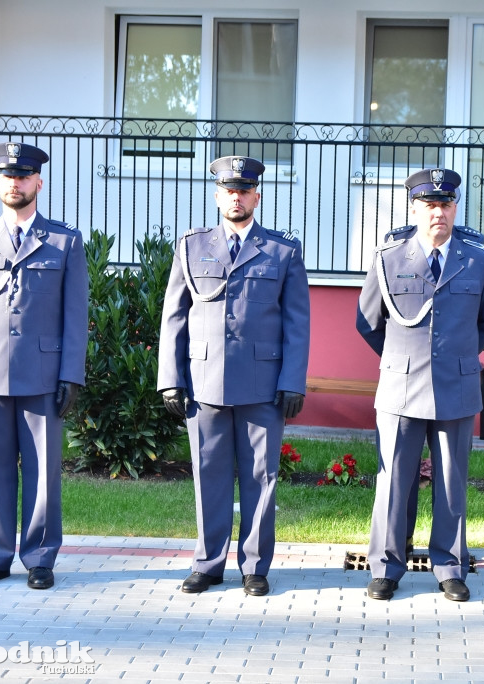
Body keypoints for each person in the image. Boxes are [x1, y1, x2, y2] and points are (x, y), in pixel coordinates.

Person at [158, 155, 310, 597]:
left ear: (257, 197)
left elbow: (297, 321)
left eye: (244, 190)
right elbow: (175, 316)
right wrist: (171, 377)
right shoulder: (192, 246)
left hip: (263, 385)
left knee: (262, 475)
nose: (236, 197)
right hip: (204, 380)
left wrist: (292, 381)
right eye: (229, 190)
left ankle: (255, 566)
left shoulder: (282, 250)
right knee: (209, 473)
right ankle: (208, 563)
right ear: (217, 195)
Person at [356, 168, 484, 602]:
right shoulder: (389, 258)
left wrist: (455, 357)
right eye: (430, 204)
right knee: (392, 484)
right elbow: (368, 322)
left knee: (452, 482)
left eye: (446, 204)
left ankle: (450, 566)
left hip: (455, 387)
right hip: (400, 388)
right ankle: (386, 566)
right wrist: (401, 359)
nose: (438, 211)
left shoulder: (477, 260)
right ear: (414, 208)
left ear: (455, 208)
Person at [0, 141, 88, 590]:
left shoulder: (65, 241)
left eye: (23, 176)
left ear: (38, 183)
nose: (15, 183)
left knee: (44, 470)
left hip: (43, 375)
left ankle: (40, 556)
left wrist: (71, 374)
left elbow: (74, 315)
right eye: (8, 176)